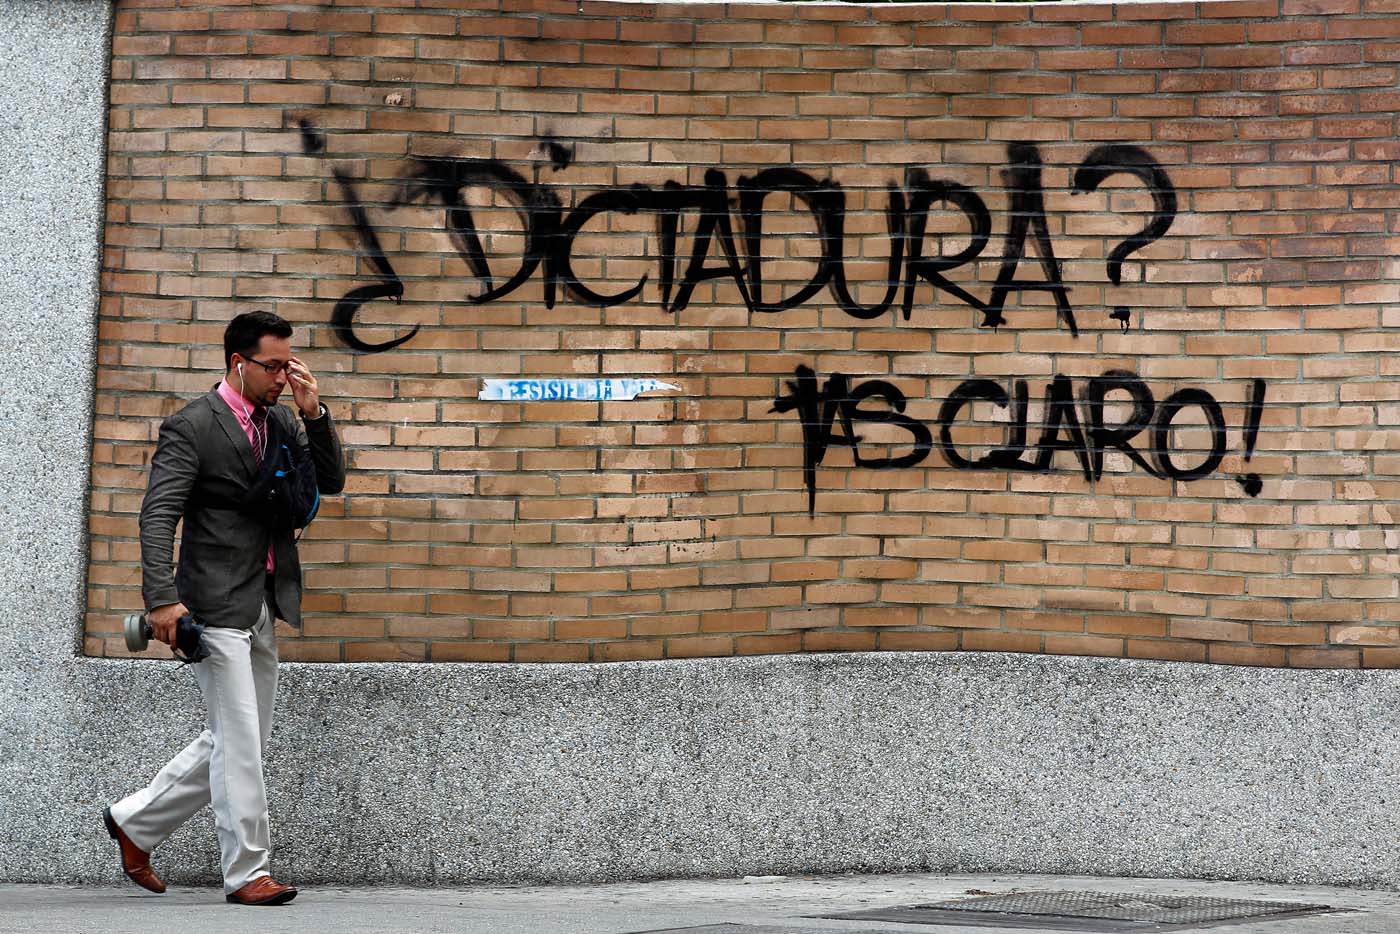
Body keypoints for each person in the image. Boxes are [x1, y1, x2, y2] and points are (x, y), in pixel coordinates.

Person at [103, 311, 346, 906]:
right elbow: (159, 514)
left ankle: (135, 821)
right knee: (239, 740)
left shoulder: (285, 419)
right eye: (273, 365)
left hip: (266, 597)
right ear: (238, 363)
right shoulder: (193, 426)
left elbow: (330, 482)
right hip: (214, 601)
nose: (283, 376)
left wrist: (314, 414)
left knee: (242, 736)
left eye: (289, 365)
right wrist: (162, 600)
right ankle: (248, 873)